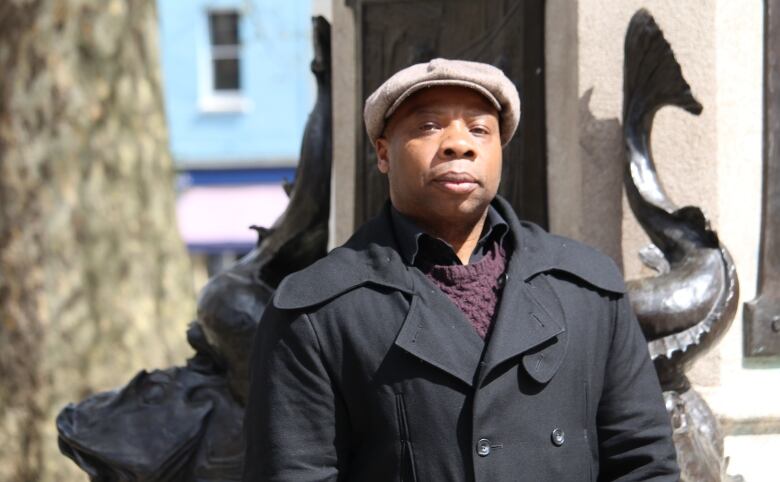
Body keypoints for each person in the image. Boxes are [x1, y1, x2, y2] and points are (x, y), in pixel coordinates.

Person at [242, 58, 679, 481]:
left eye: (479, 129)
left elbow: (643, 462)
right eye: (429, 126)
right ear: (383, 153)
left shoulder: (586, 288)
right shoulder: (316, 311)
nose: (459, 144)